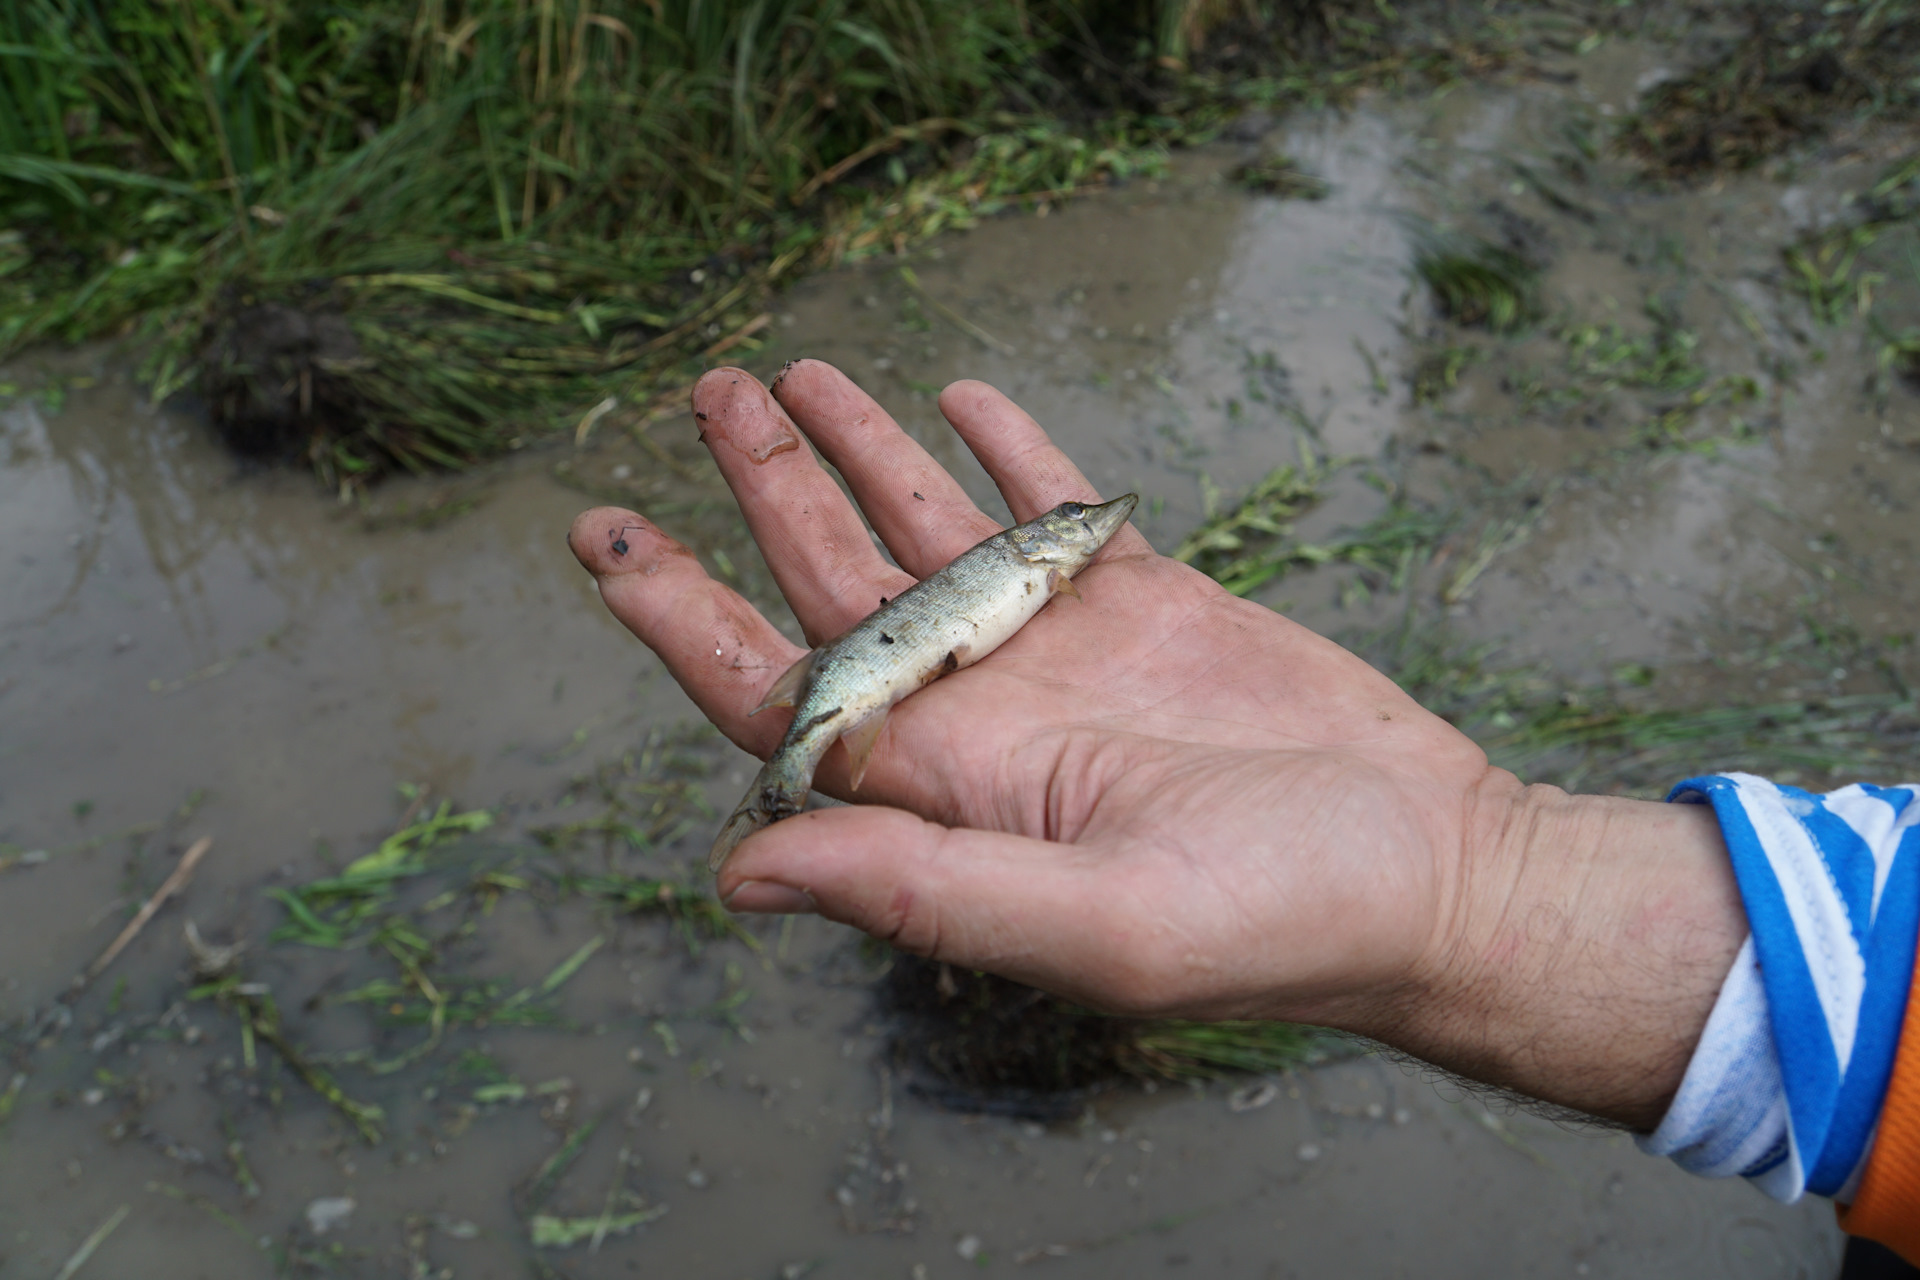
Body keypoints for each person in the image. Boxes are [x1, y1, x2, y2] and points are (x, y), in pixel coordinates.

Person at [567, 360, 1920, 1263]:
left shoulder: (1056, 566)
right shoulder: (1031, 567)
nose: (1091, 533)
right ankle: (784, 780)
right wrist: (1490, 885)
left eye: (1082, 528)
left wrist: (1482, 887)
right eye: (1081, 528)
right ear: (1050, 553)